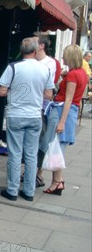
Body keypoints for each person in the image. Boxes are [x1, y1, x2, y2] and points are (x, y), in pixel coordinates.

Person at [0, 37, 54, 202]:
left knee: (15, 153)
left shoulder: (13, 67)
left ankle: (12, 190)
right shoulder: (44, 69)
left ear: (21, 51)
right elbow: (49, 95)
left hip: (16, 113)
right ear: (35, 51)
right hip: (35, 115)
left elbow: (1, 91)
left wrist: (15, 92)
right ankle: (29, 191)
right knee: (31, 154)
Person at [38, 45, 89, 195]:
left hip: (61, 111)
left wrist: (61, 122)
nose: (63, 58)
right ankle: (57, 181)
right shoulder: (81, 74)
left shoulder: (73, 75)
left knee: (53, 146)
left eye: (65, 55)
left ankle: (57, 181)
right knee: (57, 147)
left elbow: (68, 99)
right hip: (69, 111)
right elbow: (76, 99)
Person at [33, 32, 59, 187]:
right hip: (31, 107)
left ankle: (38, 173)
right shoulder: (30, 61)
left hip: (42, 108)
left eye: (34, 42)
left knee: (41, 141)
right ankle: (30, 171)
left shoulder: (50, 63)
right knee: (30, 142)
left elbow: (46, 88)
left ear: (41, 46)